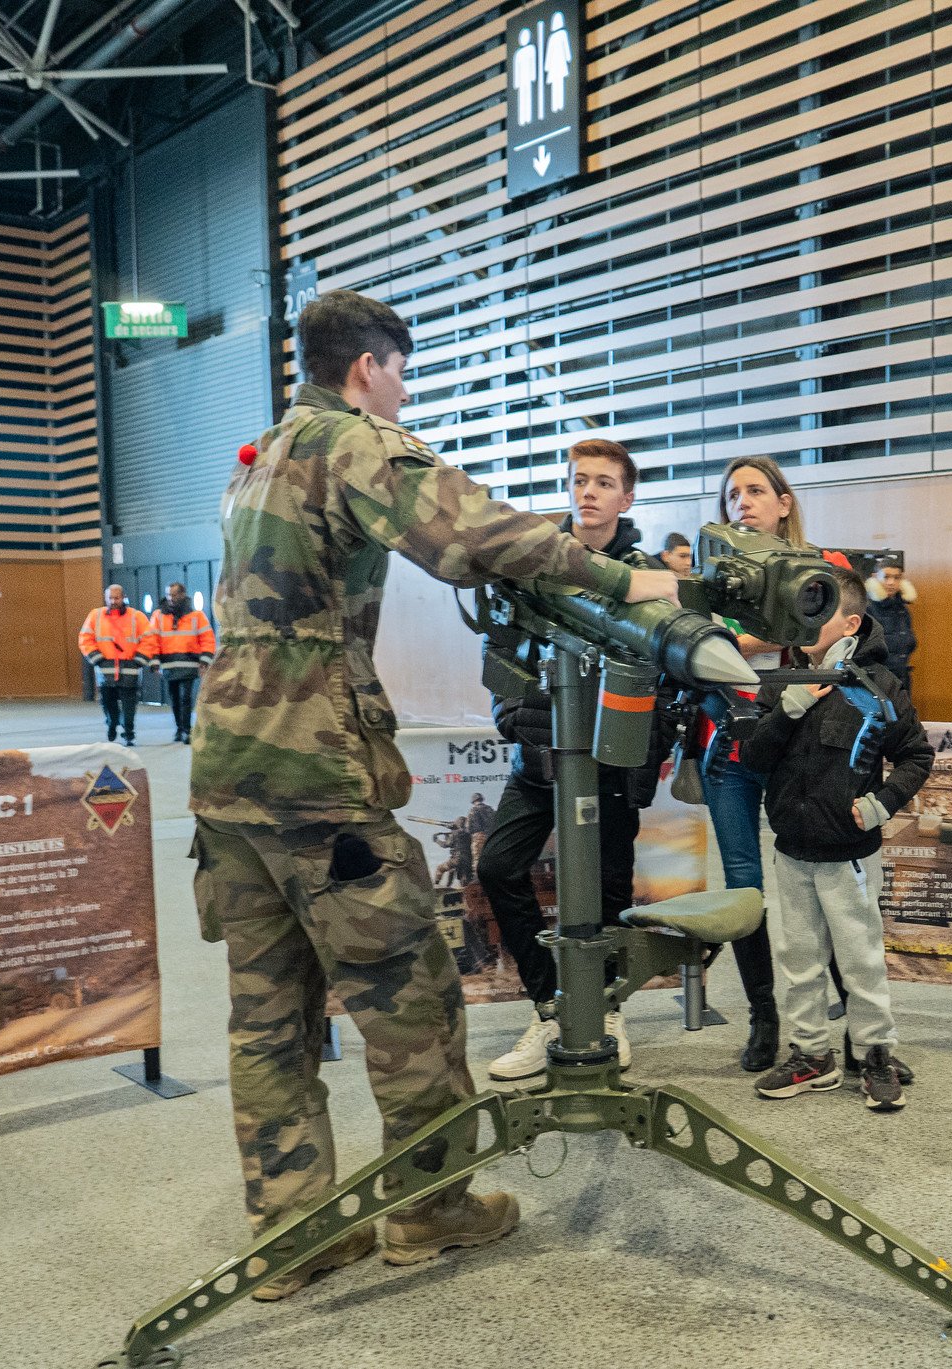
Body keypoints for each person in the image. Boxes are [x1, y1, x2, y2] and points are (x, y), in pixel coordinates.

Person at [188, 291, 678, 1300]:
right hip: (316, 764)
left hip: (226, 767)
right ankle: (430, 1207)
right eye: (401, 373)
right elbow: (467, 531)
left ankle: (293, 1234)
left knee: (266, 1014)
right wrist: (625, 583)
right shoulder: (353, 440)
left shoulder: (258, 461)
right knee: (406, 1001)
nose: (404, 393)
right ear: (368, 367)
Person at [482, 438, 667, 1080]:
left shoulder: (645, 578)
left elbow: (664, 674)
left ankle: (607, 1009)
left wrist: (643, 760)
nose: (588, 492)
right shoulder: (534, 562)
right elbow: (502, 651)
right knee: (499, 867)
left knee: (608, 888)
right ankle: (549, 1008)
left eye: (603, 482)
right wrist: (513, 710)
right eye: (579, 480)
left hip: (611, 763)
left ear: (627, 496)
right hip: (539, 759)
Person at [742, 566, 930, 1110]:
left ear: (850, 623)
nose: (805, 624)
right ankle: (811, 1056)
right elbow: (753, 757)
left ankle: (874, 1054)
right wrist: (784, 713)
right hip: (790, 849)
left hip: (848, 853)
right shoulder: (780, 683)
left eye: (817, 613)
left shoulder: (880, 685)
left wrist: (881, 804)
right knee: (798, 957)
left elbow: (917, 755)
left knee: (861, 959)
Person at [701, 454, 814, 1072]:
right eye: (731, 494)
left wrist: (729, 641)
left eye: (754, 490)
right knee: (745, 885)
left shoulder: (820, 566)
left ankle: (826, 1014)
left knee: (815, 879)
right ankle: (763, 1016)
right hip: (727, 746)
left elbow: (820, 629)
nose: (741, 502)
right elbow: (686, 645)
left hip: (798, 743)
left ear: (783, 502)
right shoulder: (707, 580)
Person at [78, 584, 155, 747]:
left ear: (123, 597)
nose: (113, 601)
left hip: (129, 668)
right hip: (105, 668)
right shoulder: (95, 616)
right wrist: (96, 658)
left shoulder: (137, 617)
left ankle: (129, 733)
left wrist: (139, 660)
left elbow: (149, 639)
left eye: (117, 598)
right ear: (105, 598)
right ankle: (112, 723)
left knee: (129, 704)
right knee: (108, 702)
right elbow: (85, 638)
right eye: (110, 598)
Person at [150, 582, 215, 744]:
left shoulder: (196, 616)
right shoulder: (158, 615)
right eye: (168, 595)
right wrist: (154, 661)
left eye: (174, 595)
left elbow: (207, 638)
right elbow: (152, 640)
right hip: (169, 664)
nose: (170, 598)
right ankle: (179, 728)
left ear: (183, 595)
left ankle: (187, 730)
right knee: (175, 698)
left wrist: (204, 661)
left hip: (189, 663)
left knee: (185, 697)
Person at [866, 558, 919, 698]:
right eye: (886, 577)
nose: (891, 583)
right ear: (875, 577)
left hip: (902, 678)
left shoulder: (902, 609)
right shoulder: (867, 609)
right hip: (877, 680)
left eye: (897, 578)